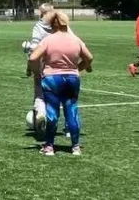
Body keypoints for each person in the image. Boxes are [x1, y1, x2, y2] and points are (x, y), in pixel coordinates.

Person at [28, 10, 93, 156]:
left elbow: (33, 58)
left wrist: (37, 74)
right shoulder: (76, 40)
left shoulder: (48, 40)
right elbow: (89, 58)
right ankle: (75, 146)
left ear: (52, 25)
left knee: (52, 112)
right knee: (72, 111)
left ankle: (49, 146)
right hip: (72, 78)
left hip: (52, 79)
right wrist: (77, 68)